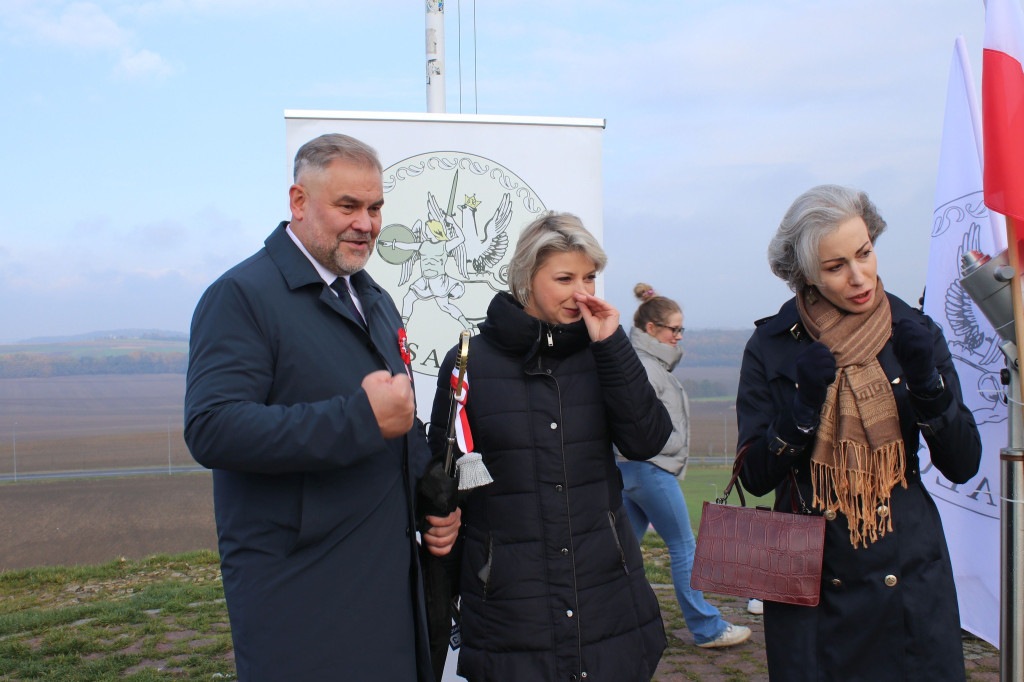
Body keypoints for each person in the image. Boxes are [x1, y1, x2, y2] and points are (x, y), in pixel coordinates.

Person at [184, 133, 460, 682]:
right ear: (298, 202)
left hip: (385, 575)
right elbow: (212, 427)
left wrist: (432, 503)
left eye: (375, 207)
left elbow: (396, 419)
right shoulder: (242, 295)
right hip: (300, 588)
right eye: (348, 206)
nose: (366, 223)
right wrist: (358, 419)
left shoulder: (372, 298)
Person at [736, 185, 981, 681]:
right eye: (835, 266)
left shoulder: (915, 331)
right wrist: (802, 411)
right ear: (805, 273)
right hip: (814, 580)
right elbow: (755, 476)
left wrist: (929, 388)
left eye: (864, 253)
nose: (858, 276)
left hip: (908, 567)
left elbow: (963, 463)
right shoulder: (771, 345)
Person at [427, 212, 673, 682]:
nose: (582, 292)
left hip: (605, 591)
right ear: (526, 277)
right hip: (510, 600)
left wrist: (614, 348)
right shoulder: (470, 362)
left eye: (590, 278)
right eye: (565, 278)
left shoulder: (603, 353)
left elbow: (648, 440)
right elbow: (443, 478)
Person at [616, 284, 752, 649]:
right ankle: (707, 627)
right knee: (683, 547)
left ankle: (607, 623)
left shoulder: (640, 362)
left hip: (630, 471)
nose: (679, 336)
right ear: (651, 330)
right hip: (650, 469)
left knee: (621, 554)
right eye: (673, 329)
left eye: (681, 329)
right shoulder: (645, 367)